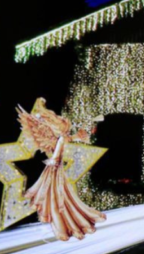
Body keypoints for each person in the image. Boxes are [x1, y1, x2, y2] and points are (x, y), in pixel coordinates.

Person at [18, 99, 107, 241]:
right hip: (54, 168)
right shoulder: (57, 138)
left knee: (60, 196)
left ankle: (68, 226)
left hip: (55, 168)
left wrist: (78, 137)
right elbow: (59, 149)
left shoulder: (60, 137)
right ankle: (66, 226)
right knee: (58, 196)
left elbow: (66, 140)